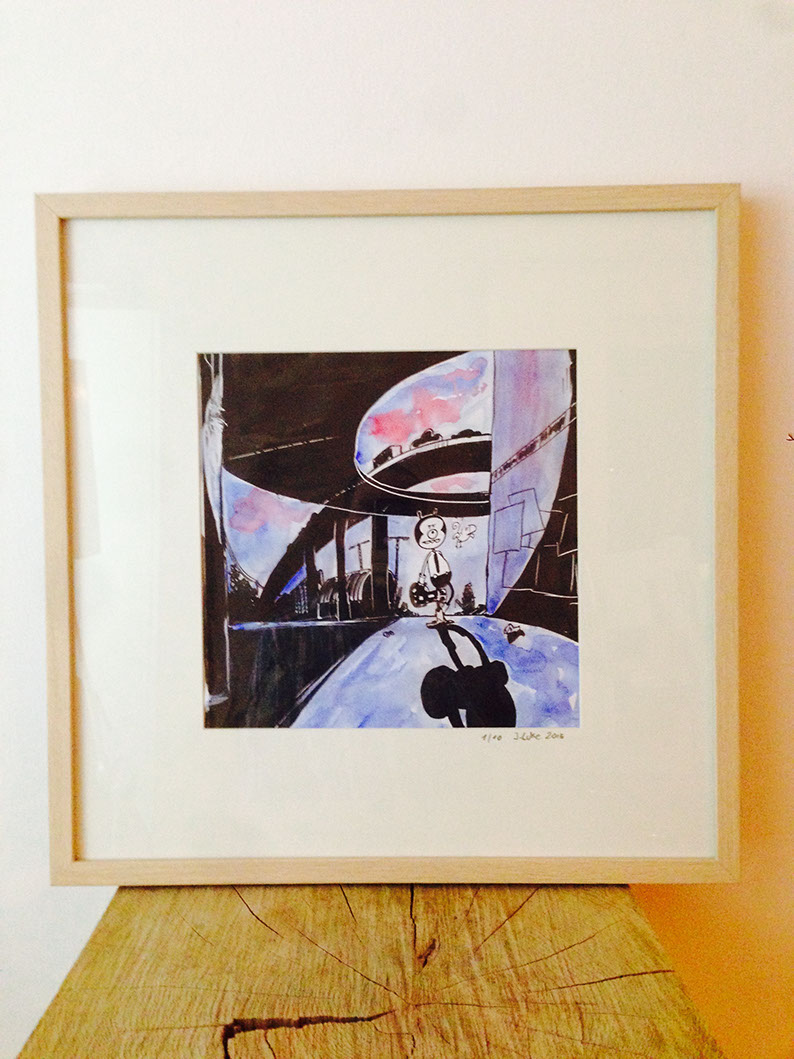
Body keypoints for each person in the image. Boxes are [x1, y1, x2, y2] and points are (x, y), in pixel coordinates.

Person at [415, 513, 452, 627]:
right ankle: (439, 618)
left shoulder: (439, 553)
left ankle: (442, 616)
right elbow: (424, 567)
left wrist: (447, 571)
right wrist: (421, 581)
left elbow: (443, 562)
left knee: (448, 594)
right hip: (436, 578)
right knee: (440, 597)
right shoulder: (429, 555)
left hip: (445, 576)